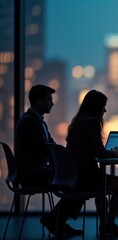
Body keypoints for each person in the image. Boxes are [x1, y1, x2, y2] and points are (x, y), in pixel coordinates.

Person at [15, 84, 83, 237]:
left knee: (76, 179)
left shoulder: (37, 121)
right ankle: (56, 221)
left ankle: (55, 220)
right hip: (31, 173)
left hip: (34, 170)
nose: (52, 103)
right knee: (79, 180)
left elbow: (51, 147)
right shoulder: (30, 122)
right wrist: (66, 163)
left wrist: (64, 160)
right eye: (49, 100)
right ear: (39, 101)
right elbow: (47, 148)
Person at [66, 90, 118, 237]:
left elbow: (93, 151)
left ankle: (106, 224)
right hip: (86, 177)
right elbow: (100, 153)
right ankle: (108, 224)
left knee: (103, 188)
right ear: (96, 107)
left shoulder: (78, 123)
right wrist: (114, 153)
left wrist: (107, 152)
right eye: (103, 106)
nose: (105, 110)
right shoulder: (91, 122)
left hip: (77, 175)